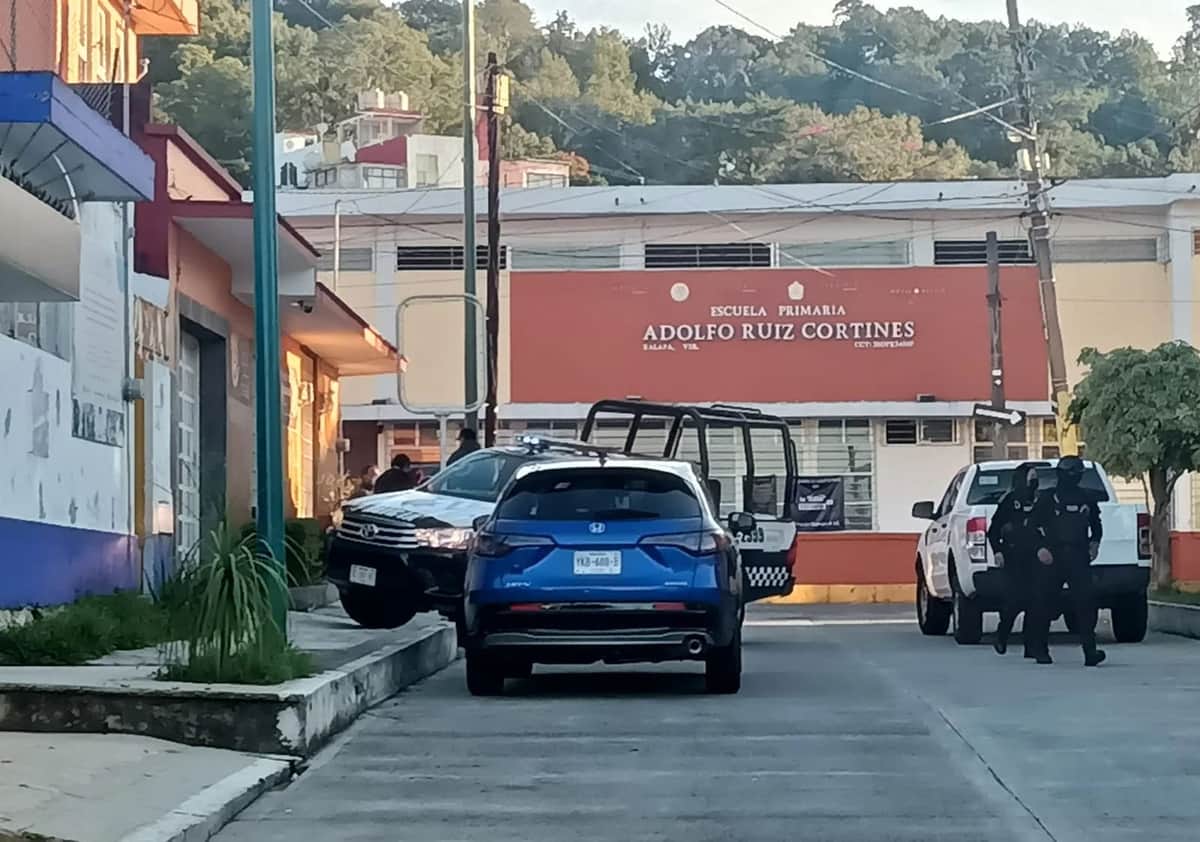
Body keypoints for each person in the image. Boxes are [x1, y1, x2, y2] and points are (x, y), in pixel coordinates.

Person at [1028, 455, 1106, 667]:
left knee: (1086, 603)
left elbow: (1096, 524)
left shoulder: (1086, 498)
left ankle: (1090, 652)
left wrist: (1095, 542)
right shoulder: (1048, 498)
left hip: (1079, 556)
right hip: (1052, 556)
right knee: (1045, 602)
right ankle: (1040, 649)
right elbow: (1031, 528)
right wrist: (1040, 548)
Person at [986, 462, 1043, 658]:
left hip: (1036, 559)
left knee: (1036, 603)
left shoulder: (1040, 500)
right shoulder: (1010, 501)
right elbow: (993, 531)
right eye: (1030, 477)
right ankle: (1002, 635)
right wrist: (998, 551)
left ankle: (1031, 646)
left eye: (1036, 477)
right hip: (1013, 557)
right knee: (1015, 601)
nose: (1034, 481)